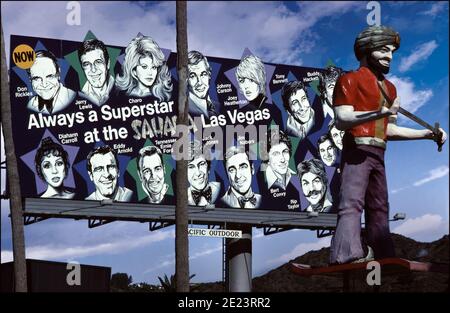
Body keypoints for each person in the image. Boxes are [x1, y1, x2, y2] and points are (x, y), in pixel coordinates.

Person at [329, 25, 447, 264]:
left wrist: (426, 134)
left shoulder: (389, 88)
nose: (389, 56)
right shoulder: (348, 80)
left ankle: (382, 254)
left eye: (392, 51)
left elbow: (388, 130)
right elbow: (342, 120)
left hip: (378, 151)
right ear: (366, 49)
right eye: (383, 50)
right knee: (352, 202)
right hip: (357, 149)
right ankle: (345, 254)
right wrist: (379, 112)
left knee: (380, 205)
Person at [116, 35, 172, 101]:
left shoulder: (163, 96)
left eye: (154, 67)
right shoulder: (121, 96)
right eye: (144, 67)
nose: (150, 73)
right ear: (134, 71)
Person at [258, 129, 300, 211]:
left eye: (285, 152)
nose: (282, 159)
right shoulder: (259, 183)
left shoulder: (298, 177)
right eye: (276, 154)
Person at [27, 50, 76, 114]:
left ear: (58, 74)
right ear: (30, 79)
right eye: (37, 78)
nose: (44, 85)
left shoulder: (73, 97)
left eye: (49, 76)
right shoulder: (30, 104)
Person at [78, 39, 115, 106]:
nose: (93, 70)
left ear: (108, 64)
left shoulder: (123, 90)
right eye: (87, 64)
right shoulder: (77, 98)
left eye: (98, 62)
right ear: (82, 68)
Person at [187, 140, 220, 206]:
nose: (198, 173)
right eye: (191, 167)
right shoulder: (181, 197)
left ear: (209, 167)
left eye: (201, 164)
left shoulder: (220, 189)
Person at [187, 50, 217, 118]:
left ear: (209, 75)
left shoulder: (218, 106)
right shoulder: (183, 109)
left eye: (203, 74)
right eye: (192, 76)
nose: (200, 82)